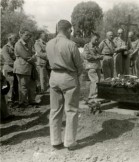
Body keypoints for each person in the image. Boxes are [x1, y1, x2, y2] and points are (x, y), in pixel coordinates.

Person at [46, 20, 83, 150]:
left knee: (55, 110)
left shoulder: (49, 43)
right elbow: (79, 65)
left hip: (54, 76)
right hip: (68, 77)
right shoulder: (71, 44)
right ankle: (70, 142)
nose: (71, 33)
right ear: (68, 30)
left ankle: (55, 141)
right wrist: (77, 76)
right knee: (71, 110)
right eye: (71, 31)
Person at [14, 28, 38, 108]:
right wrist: (34, 58)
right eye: (26, 35)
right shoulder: (18, 44)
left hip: (29, 67)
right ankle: (23, 103)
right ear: (20, 34)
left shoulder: (30, 42)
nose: (28, 37)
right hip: (22, 68)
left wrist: (33, 56)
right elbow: (27, 57)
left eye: (29, 35)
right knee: (23, 86)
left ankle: (31, 101)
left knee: (31, 84)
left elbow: (34, 53)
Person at [83, 33, 103, 100]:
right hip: (91, 66)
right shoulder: (87, 46)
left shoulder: (97, 47)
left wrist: (100, 56)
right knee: (95, 80)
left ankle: (91, 96)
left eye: (98, 40)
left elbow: (100, 54)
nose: (97, 41)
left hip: (98, 66)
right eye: (96, 39)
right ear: (91, 38)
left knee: (96, 81)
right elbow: (86, 56)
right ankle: (94, 96)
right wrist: (97, 57)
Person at [2, 33, 19, 107]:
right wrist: (18, 65)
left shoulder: (15, 46)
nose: (15, 40)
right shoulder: (5, 48)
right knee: (10, 85)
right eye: (14, 39)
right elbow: (8, 60)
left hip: (15, 69)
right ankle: (9, 101)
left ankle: (15, 100)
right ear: (10, 39)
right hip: (9, 69)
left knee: (16, 85)